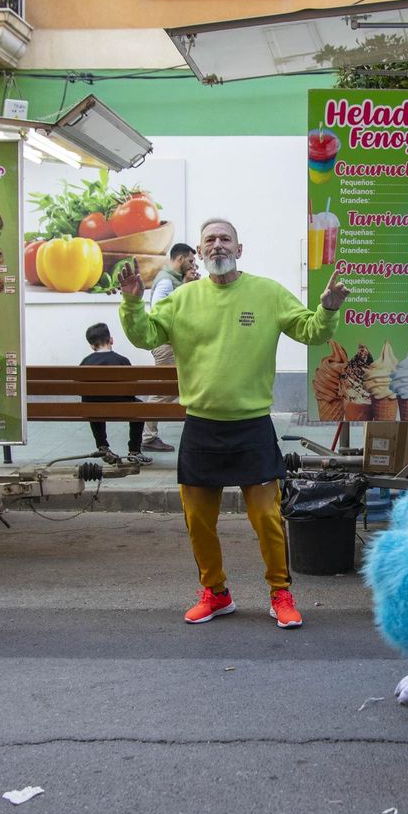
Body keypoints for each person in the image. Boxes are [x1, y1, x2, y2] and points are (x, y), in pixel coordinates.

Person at [119, 218, 350, 628]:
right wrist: (133, 302)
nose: (218, 245)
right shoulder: (182, 299)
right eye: (210, 240)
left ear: (239, 250)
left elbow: (312, 332)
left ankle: (281, 593)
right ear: (200, 253)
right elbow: (144, 335)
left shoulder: (267, 293)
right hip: (201, 425)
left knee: (266, 517)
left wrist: (328, 308)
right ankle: (216, 593)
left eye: (226, 239)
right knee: (198, 521)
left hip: (251, 425)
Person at [138, 243, 199, 453]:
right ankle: (147, 436)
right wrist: (185, 285)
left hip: (172, 343)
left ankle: (148, 434)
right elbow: (159, 312)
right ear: (180, 259)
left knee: (172, 386)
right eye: (191, 260)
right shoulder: (165, 281)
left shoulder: (175, 280)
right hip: (165, 345)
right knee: (166, 387)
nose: (193, 265)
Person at [80, 322, 150, 465]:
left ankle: (102, 446)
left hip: (94, 409)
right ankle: (134, 451)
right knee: (139, 408)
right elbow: (133, 388)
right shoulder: (122, 361)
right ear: (111, 340)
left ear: (92, 346)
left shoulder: (85, 363)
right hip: (123, 407)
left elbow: (82, 390)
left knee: (92, 405)